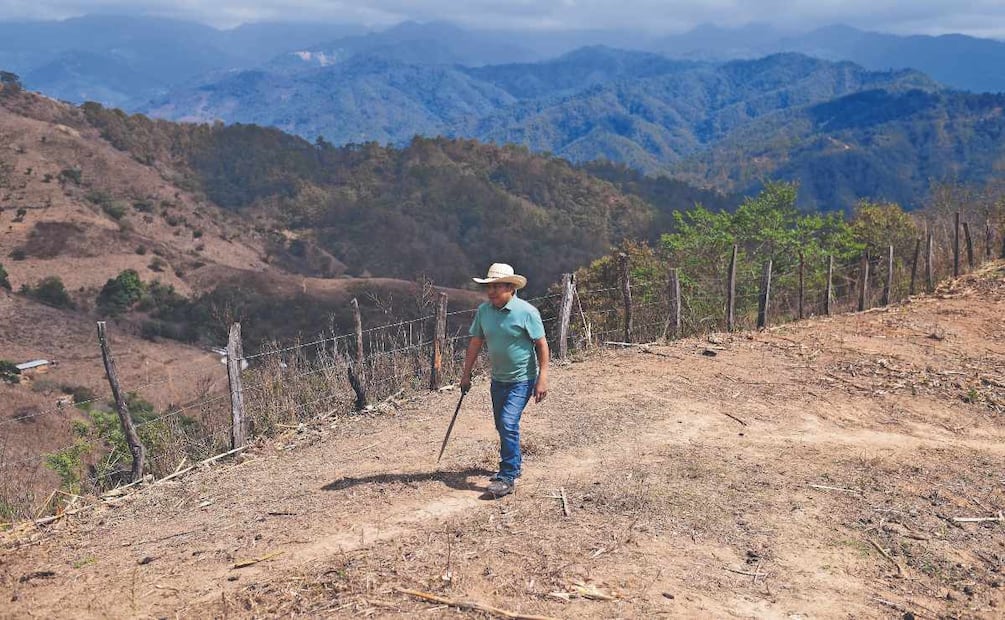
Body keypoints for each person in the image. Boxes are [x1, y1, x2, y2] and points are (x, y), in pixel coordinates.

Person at [460, 263, 549, 498]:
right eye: (489, 287)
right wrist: (466, 374)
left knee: (508, 423)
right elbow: (475, 342)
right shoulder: (484, 312)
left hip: (522, 379)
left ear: (511, 287)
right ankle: (514, 465)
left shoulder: (527, 312)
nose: (491, 291)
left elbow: (541, 345)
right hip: (498, 379)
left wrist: (542, 377)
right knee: (502, 425)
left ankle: (507, 477)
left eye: (497, 287)